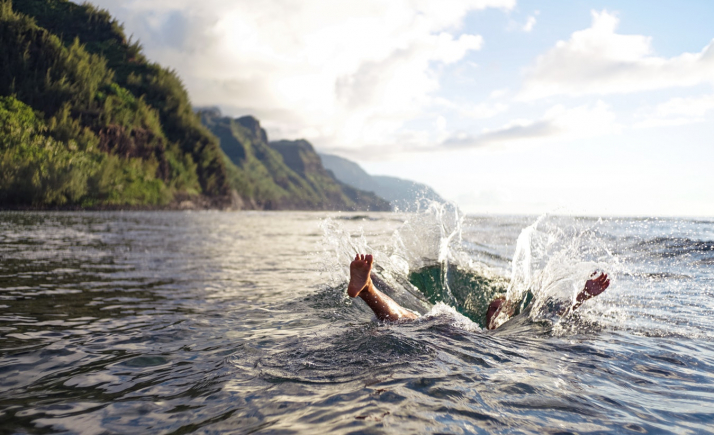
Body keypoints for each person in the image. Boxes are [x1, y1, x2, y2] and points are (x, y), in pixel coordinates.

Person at [347, 254, 610, 329]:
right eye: (490, 307)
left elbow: (553, 312)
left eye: (497, 309)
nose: (491, 310)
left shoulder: (518, 325)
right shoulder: (477, 327)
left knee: (408, 320)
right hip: (452, 326)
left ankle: (369, 289)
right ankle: (368, 288)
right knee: (410, 318)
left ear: (508, 315)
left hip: (458, 343)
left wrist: (583, 296)